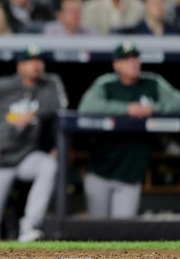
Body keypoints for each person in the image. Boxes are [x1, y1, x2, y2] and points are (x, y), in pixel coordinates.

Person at [0, 45, 68, 242]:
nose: (36, 65)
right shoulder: (5, 86)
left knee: (48, 165)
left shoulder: (48, 85)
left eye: (39, 61)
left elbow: (59, 105)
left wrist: (33, 114)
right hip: (2, 157)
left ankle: (29, 226)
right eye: (30, 61)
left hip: (26, 156)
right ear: (20, 66)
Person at [77, 41, 180, 218]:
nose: (132, 63)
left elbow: (177, 102)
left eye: (135, 58)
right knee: (96, 231)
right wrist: (127, 109)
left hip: (131, 175)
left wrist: (153, 108)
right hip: (101, 171)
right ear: (116, 64)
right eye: (126, 59)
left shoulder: (152, 82)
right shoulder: (106, 84)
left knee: (123, 233)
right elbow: (86, 107)